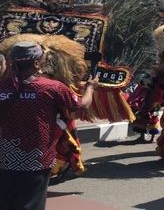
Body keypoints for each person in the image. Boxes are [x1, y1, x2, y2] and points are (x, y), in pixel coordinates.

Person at [0, 41, 98, 210]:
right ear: (37, 63)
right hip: (36, 160)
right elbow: (81, 105)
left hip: (4, 159)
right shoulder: (52, 88)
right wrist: (90, 87)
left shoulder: (3, 86)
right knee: (31, 204)